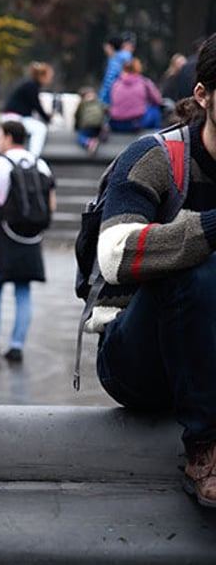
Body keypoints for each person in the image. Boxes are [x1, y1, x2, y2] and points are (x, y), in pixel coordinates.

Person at [89, 30, 216, 508]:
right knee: (195, 267)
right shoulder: (157, 157)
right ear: (202, 95)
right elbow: (115, 254)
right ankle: (206, 445)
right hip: (137, 359)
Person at [0, 120, 55, 362]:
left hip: (4, 233)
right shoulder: (40, 164)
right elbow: (51, 206)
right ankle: (16, 345)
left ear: (9, 137)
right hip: (31, 236)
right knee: (23, 291)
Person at [0, 61, 54, 157]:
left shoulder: (29, 84)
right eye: (49, 77)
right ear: (42, 76)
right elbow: (36, 105)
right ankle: (33, 157)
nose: (50, 80)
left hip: (13, 116)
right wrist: (47, 119)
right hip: (14, 117)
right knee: (40, 129)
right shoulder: (31, 86)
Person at [108, 57, 163, 132]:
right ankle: (155, 136)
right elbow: (157, 100)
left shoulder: (116, 83)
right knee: (155, 110)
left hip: (116, 123)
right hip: (134, 124)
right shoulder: (144, 82)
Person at [99, 32, 135, 106]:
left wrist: (102, 100)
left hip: (112, 101)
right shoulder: (125, 57)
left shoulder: (116, 60)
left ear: (110, 47)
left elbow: (110, 81)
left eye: (106, 47)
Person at [74, 86, 108, 154]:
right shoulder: (99, 103)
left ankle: (89, 142)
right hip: (99, 124)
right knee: (97, 131)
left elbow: (77, 115)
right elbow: (107, 110)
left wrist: (76, 127)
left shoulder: (82, 104)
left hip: (87, 124)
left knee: (81, 136)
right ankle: (99, 137)